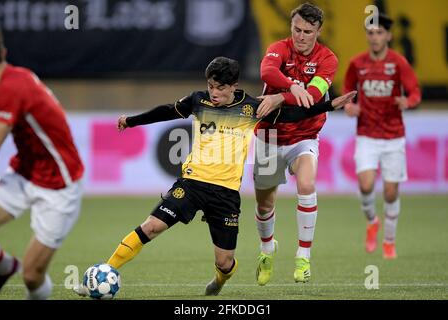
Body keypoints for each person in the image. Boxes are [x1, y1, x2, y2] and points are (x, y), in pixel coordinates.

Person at [74, 56, 355, 297]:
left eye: (220, 88)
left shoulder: (253, 107)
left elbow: (293, 114)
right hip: (192, 183)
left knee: (225, 262)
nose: (214, 92)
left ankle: (219, 281)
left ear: (234, 86)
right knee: (151, 227)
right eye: (210, 86)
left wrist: (330, 106)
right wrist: (132, 121)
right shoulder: (198, 100)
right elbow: (165, 112)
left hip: (225, 194)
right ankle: (103, 272)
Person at [253, 3, 338, 285]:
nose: (301, 36)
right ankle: (267, 250)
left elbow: (313, 96)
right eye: (297, 29)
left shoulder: (328, 60)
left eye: (308, 32)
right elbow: (267, 72)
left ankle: (303, 257)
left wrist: (279, 96)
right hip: (270, 135)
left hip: (304, 136)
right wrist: (291, 86)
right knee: (265, 206)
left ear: (318, 31)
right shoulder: (279, 48)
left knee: (306, 186)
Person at [0, 28, 84, 299]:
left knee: (32, 276)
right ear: (4, 52)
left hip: (59, 186)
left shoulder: (11, 87)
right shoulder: (13, 77)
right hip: (24, 173)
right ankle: (3, 267)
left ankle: (9, 271)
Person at [343, 13, 421, 259]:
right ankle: (372, 221)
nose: (375, 37)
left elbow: (415, 91)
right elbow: (347, 90)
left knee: (390, 192)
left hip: (393, 136)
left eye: (379, 33)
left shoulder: (398, 63)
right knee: (365, 186)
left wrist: (407, 101)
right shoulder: (357, 63)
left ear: (388, 35)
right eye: (371, 33)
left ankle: (389, 241)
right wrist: (348, 105)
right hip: (367, 134)